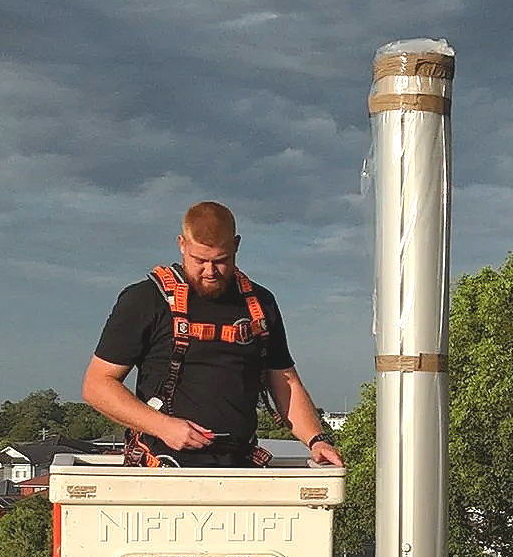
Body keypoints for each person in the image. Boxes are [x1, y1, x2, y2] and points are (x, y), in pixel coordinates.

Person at [84, 201, 346, 469]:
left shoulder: (259, 304)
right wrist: (163, 426)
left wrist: (317, 441)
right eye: (199, 260)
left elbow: (284, 382)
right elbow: (97, 385)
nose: (210, 272)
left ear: (236, 245)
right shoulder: (147, 300)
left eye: (221, 261)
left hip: (238, 468)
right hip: (162, 468)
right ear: (182, 244)